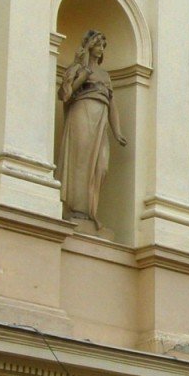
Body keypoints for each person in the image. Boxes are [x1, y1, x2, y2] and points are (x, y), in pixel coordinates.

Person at [58, 30, 126, 229]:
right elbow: (66, 95)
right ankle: (77, 210)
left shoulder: (105, 75)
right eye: (98, 45)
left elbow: (112, 104)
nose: (101, 49)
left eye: (103, 46)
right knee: (80, 162)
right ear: (89, 46)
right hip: (82, 114)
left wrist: (117, 131)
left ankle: (90, 210)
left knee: (101, 166)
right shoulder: (76, 68)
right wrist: (84, 72)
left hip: (101, 120)